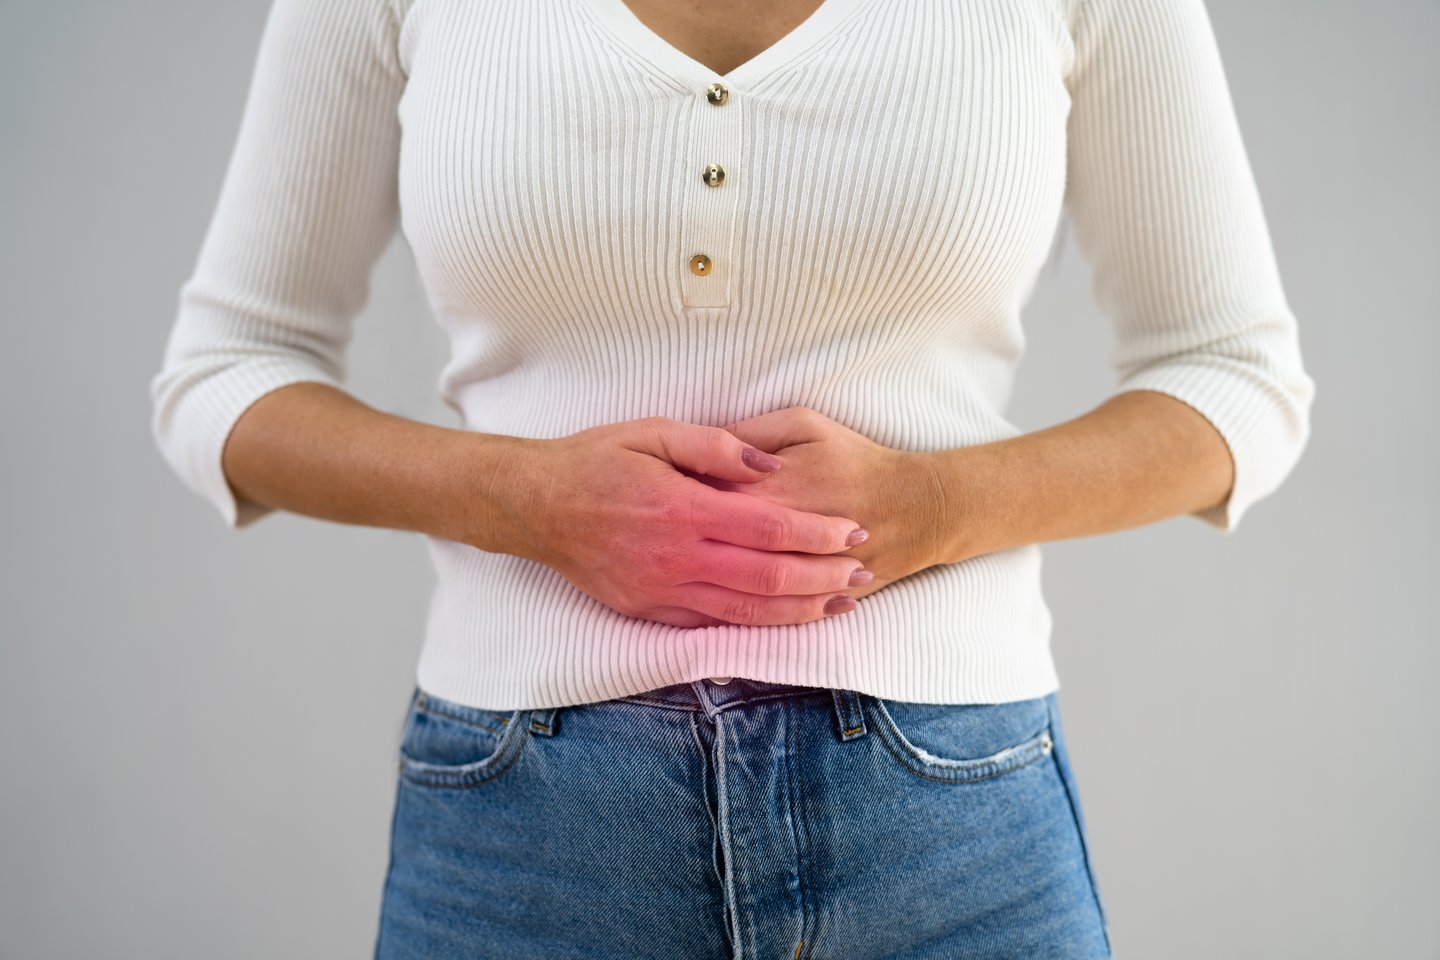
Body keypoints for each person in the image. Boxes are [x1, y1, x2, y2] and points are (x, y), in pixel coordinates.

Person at [148, 0, 1316, 955]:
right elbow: (226, 373)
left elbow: (1234, 378)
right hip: (523, 841)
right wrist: (522, 498)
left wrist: (936, 507)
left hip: (952, 836)